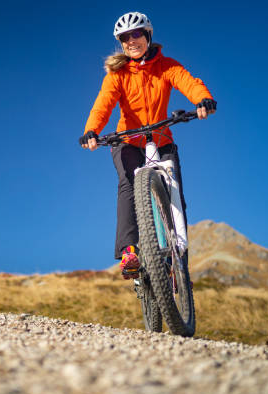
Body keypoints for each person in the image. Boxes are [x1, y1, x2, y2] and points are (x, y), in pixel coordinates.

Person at [79, 11, 216, 279]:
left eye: (137, 34)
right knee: (129, 184)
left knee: (175, 192)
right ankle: (129, 251)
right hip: (128, 141)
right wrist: (92, 131)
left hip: (162, 138)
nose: (132, 41)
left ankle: (178, 259)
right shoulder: (118, 74)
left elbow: (188, 82)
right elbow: (103, 104)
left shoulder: (166, 66)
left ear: (148, 36)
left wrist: (203, 100)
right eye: (125, 38)